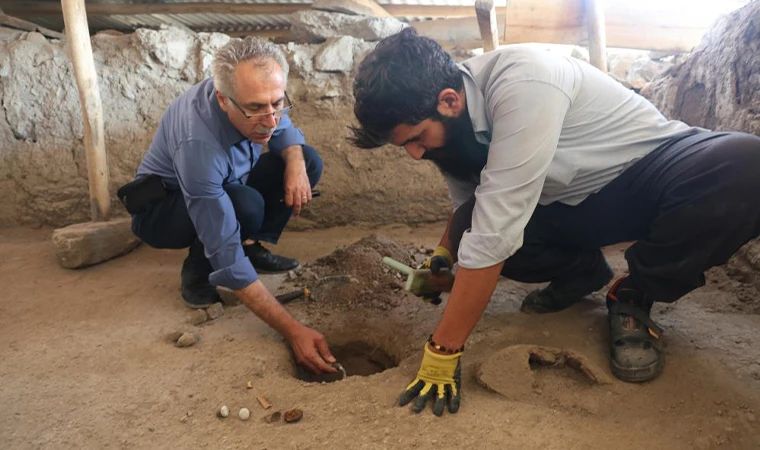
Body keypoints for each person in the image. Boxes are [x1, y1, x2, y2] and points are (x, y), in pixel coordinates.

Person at [350, 28, 760, 416]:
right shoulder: (450, 130)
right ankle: (583, 273)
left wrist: (443, 350)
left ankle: (633, 294)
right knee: (486, 238)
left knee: (746, 165)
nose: (416, 155)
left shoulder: (525, 80)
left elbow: (494, 229)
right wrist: (442, 256)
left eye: (416, 139)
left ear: (449, 101)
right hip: (568, 202)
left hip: (644, 172)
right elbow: (469, 207)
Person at [128, 37, 337, 374]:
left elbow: (283, 128)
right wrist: (292, 329)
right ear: (223, 100)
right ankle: (197, 279)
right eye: (256, 108)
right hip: (163, 211)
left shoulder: (258, 98)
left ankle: (251, 246)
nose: (270, 120)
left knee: (307, 160)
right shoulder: (199, 143)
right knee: (243, 205)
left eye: (277, 103)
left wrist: (296, 164)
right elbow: (222, 239)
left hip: (226, 186)